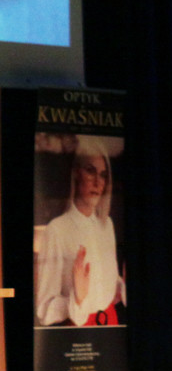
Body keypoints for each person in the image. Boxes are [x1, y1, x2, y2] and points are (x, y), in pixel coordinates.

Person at [35, 136, 126, 327]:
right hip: (78, 331)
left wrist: (122, 284)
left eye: (103, 175)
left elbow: (108, 285)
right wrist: (77, 299)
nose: (98, 182)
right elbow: (44, 309)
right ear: (76, 173)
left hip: (111, 326)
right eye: (90, 171)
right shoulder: (57, 230)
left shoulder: (107, 225)